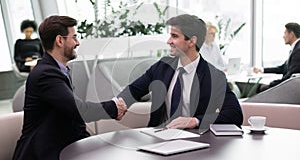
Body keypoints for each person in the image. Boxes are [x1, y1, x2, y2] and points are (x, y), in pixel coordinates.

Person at [12, 15, 127, 160]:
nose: (78, 43)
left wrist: (93, 141)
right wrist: (114, 107)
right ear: (60, 40)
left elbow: (71, 117)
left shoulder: (58, 70)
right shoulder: (46, 74)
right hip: (42, 153)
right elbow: (78, 110)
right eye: (74, 37)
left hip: (62, 146)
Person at [113, 14, 243, 129]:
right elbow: (135, 89)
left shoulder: (214, 76)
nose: (169, 41)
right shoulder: (162, 67)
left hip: (195, 142)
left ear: (192, 41)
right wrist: (120, 105)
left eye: (174, 36)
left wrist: (196, 121)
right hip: (159, 139)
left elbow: (235, 114)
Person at [254, 22, 300, 93]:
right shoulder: (295, 49)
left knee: (261, 89)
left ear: (291, 34)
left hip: (289, 89)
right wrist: (262, 70)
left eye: (285, 33)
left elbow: (290, 76)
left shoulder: (298, 50)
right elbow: (282, 68)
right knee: (260, 87)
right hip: (288, 85)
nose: (283, 36)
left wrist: (273, 84)